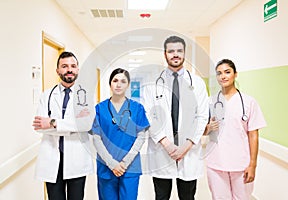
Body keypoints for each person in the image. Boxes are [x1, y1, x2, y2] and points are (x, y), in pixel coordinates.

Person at [142, 35, 209, 200]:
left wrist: (186, 146)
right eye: (171, 51)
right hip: (162, 150)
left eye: (179, 50)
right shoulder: (152, 83)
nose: (175, 54)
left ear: (185, 53)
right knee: (161, 196)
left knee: (187, 197)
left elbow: (202, 116)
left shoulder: (198, 83)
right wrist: (166, 144)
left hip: (189, 150)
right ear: (165, 54)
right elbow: (148, 116)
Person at [32, 51, 94, 200]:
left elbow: (86, 124)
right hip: (53, 160)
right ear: (58, 70)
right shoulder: (46, 95)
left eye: (73, 66)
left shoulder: (86, 95)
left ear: (78, 69)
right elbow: (40, 126)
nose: (69, 70)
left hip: (76, 159)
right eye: (64, 66)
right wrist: (72, 127)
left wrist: (53, 123)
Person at [204, 59, 267, 200]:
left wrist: (253, 165)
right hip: (216, 163)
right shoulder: (210, 101)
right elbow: (200, 131)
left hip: (241, 164)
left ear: (235, 74)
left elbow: (253, 135)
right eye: (219, 73)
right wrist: (207, 128)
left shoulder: (249, 102)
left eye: (227, 72)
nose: (223, 76)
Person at [91, 68, 150, 200]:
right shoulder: (99, 108)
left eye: (123, 81)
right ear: (110, 83)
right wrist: (112, 163)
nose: (118, 84)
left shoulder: (137, 108)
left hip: (130, 167)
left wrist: (124, 162)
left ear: (128, 85)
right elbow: (96, 138)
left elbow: (141, 137)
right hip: (106, 166)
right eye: (115, 80)